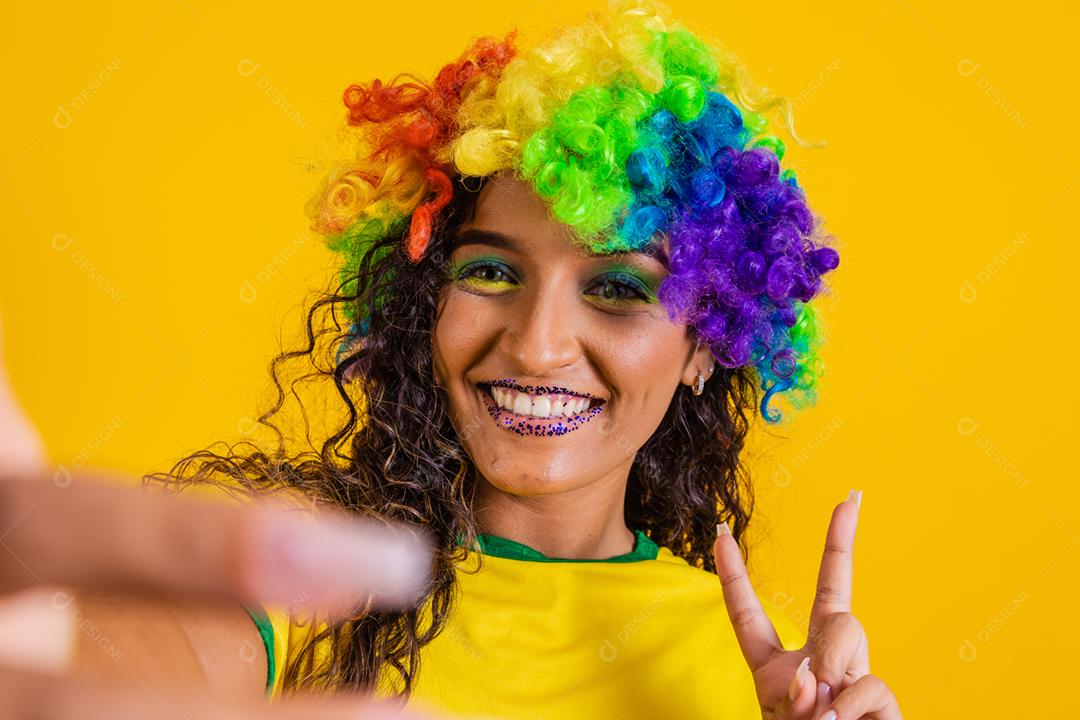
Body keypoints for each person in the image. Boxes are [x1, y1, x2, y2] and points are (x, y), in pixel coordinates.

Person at [6, 0, 903, 718]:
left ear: (707, 344)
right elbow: (123, 664)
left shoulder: (770, 676)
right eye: (489, 271)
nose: (537, 344)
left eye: (619, 289)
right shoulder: (300, 573)